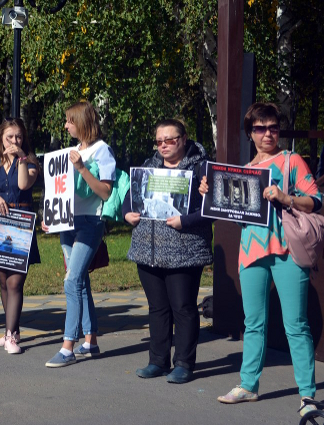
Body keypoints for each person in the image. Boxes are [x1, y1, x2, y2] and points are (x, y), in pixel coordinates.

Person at [200, 103, 319, 416]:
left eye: (273, 127)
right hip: (252, 251)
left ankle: (307, 395)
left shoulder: (291, 159)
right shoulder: (245, 169)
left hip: (288, 251)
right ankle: (248, 385)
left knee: (296, 324)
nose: (268, 133)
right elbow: (237, 216)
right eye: (260, 128)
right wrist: (210, 194)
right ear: (249, 132)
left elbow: (315, 200)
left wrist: (286, 198)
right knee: (253, 323)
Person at [122, 118, 213, 384]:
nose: (164, 145)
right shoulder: (148, 167)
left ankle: (184, 363)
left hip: (185, 250)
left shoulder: (201, 168)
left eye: (170, 140)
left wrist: (187, 220)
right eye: (159, 141)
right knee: (157, 308)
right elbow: (130, 198)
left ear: (184, 139)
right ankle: (157, 361)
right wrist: (127, 213)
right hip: (147, 249)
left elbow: (214, 209)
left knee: (183, 307)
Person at [44, 101, 115, 367]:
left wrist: (82, 168)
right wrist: (50, 217)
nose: (65, 126)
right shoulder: (72, 150)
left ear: (82, 122)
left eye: (69, 121)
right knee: (80, 281)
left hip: (89, 222)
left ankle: (67, 347)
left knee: (71, 281)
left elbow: (105, 192)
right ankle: (91, 341)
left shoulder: (101, 150)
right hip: (67, 222)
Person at [0, 118, 41, 354]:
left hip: (21, 225)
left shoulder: (31, 162)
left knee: (16, 281)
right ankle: (11, 330)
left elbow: (24, 184)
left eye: (18, 137)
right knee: (3, 281)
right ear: (0, 139)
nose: (14, 141)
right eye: (10, 137)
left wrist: (22, 158)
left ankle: (10, 337)